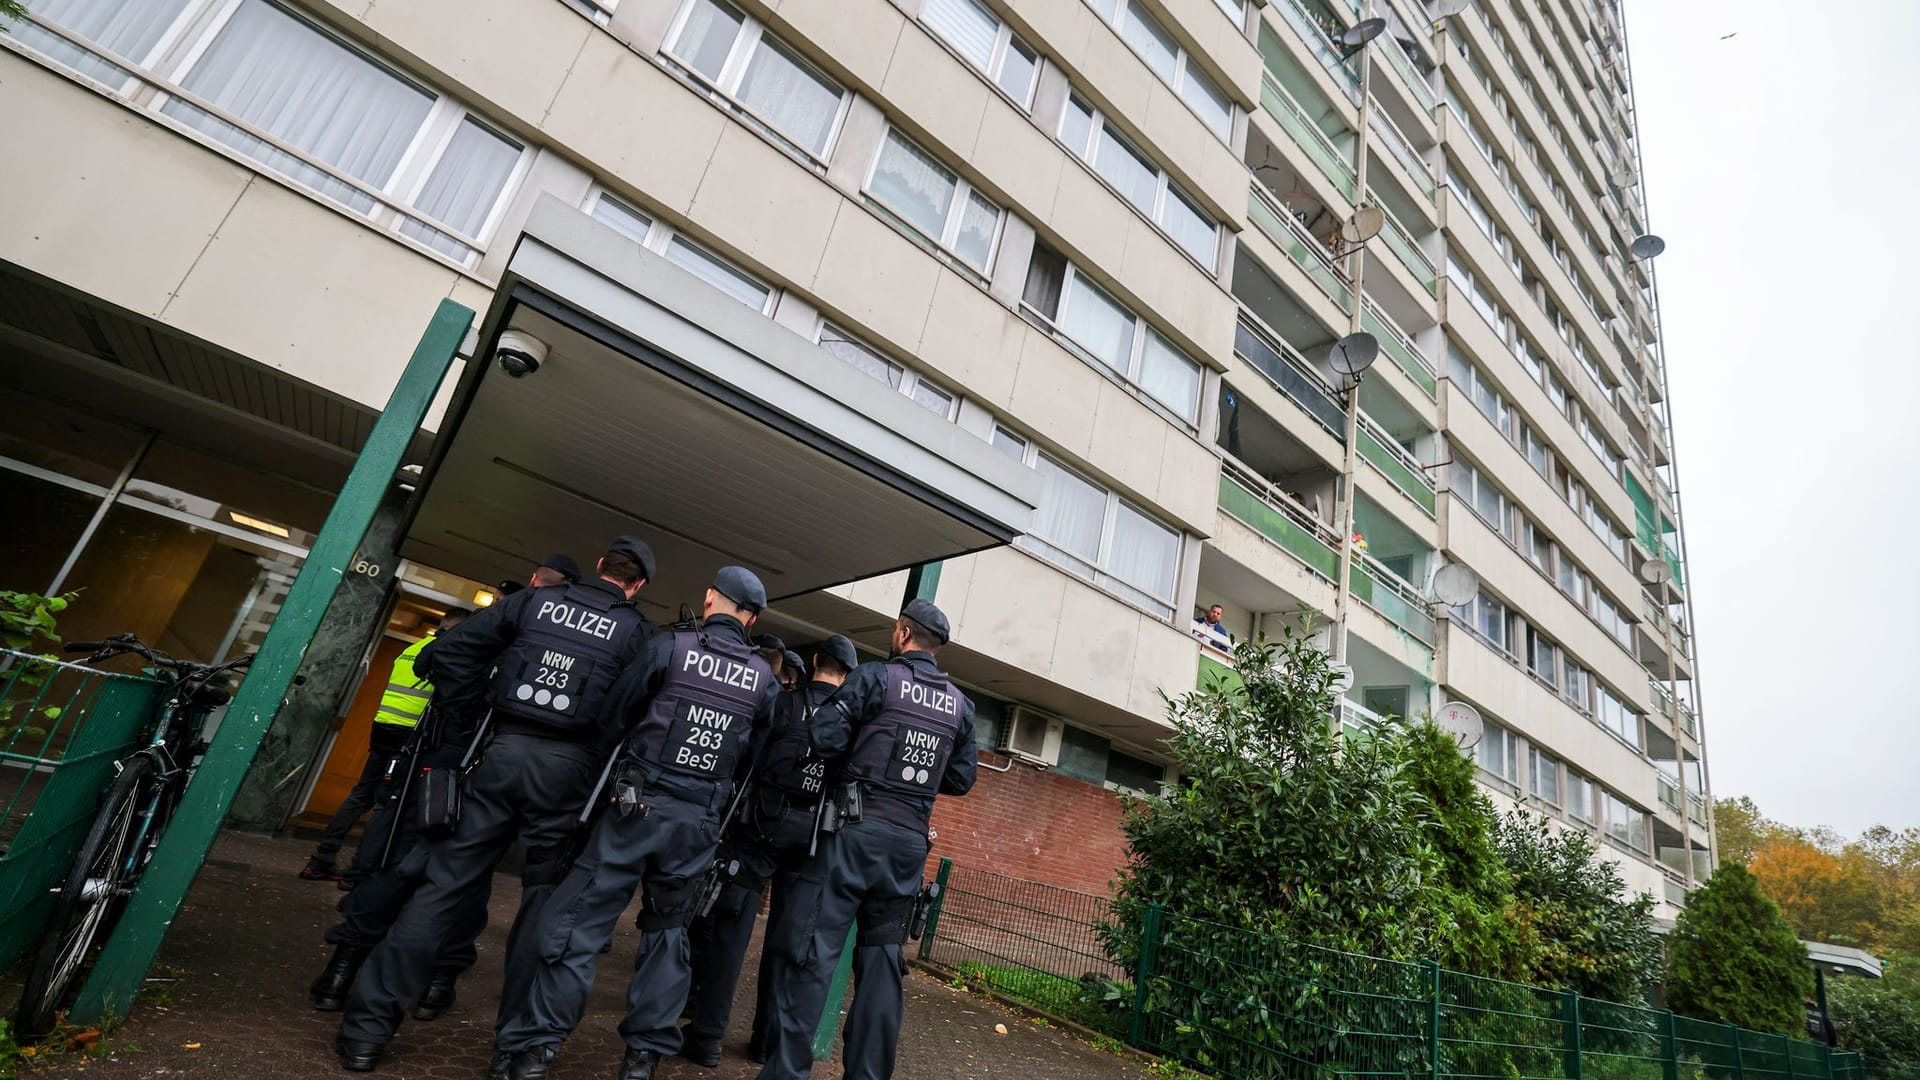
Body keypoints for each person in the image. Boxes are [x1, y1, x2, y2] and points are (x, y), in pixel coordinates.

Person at [333, 537, 658, 1072]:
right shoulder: (639, 633)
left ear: (599, 567)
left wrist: (470, 719)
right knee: (542, 910)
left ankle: (366, 1033)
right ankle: (512, 1053)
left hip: (498, 755)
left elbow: (447, 655)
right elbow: (633, 713)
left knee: (442, 889)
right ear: (637, 584)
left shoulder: (532, 603)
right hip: (568, 776)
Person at [491, 567, 780, 1080]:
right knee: (668, 936)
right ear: (752, 619)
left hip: (634, 807)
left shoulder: (670, 647)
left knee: (579, 925)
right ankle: (642, 1060)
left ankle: (536, 1052)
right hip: (696, 821)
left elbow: (615, 715)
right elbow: (755, 756)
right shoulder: (763, 679)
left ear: (710, 597)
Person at [755, 599, 977, 1080]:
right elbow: (961, 780)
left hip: (853, 835)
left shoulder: (878, 678)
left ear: (902, 633)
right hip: (908, 846)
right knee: (882, 965)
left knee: (813, 954)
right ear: (937, 648)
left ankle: (785, 1074)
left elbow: (824, 738)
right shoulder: (960, 705)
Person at [681, 634, 859, 1068]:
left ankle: (706, 1039)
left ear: (816, 661)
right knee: (788, 943)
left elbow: (748, 755)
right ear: (847, 675)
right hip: (814, 838)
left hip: (760, 827)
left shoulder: (783, 701)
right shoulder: (851, 719)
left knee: (731, 931)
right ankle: (765, 1043)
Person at [301, 609, 472, 885]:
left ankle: (322, 858)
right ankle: (358, 871)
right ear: (459, 628)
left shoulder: (416, 646)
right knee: (388, 802)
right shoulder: (447, 652)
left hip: (384, 725)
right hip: (408, 733)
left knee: (361, 794)